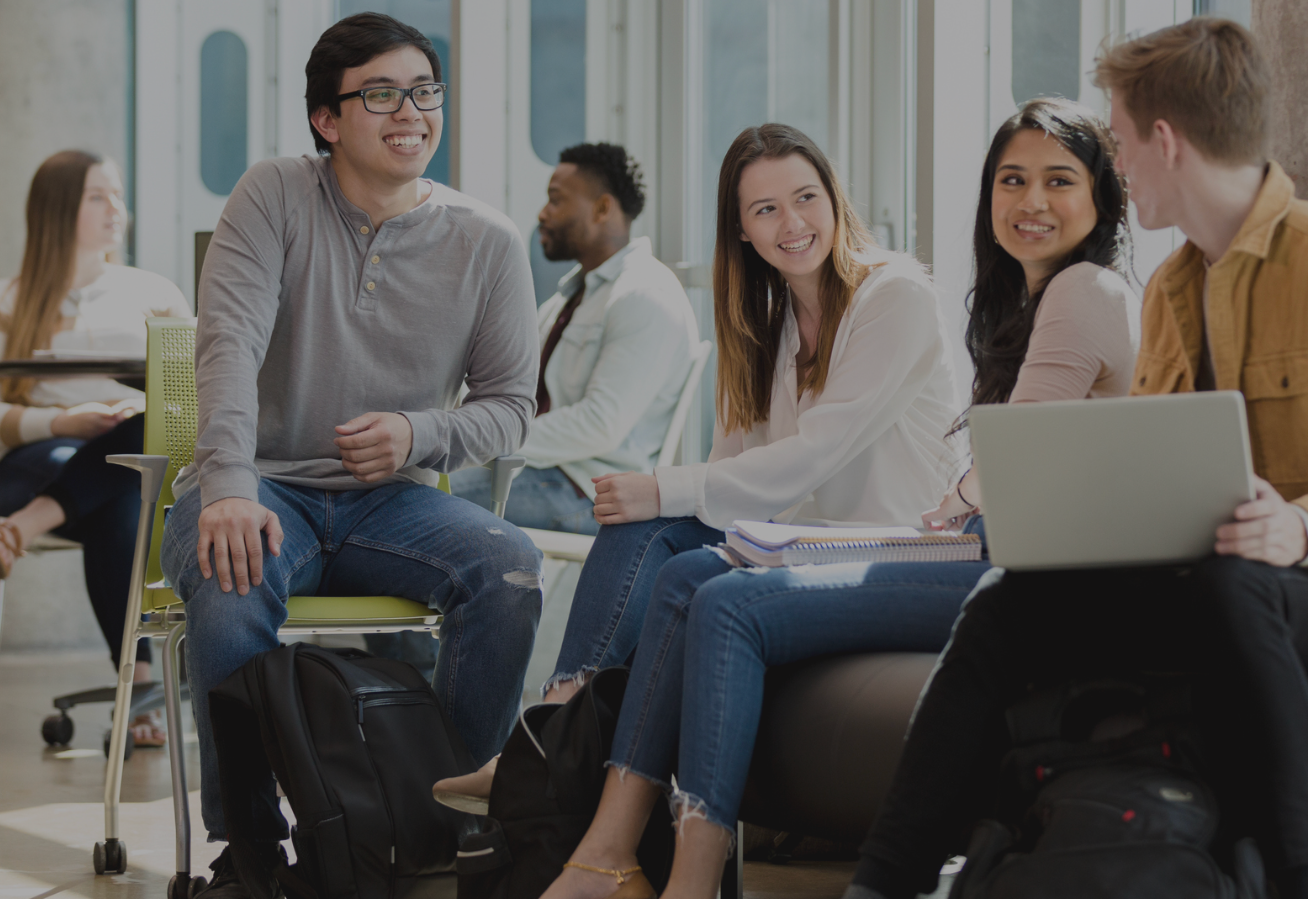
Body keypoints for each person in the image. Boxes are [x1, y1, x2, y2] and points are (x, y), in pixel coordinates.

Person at [845, 18, 1308, 899]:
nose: (1119, 168)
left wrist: (1304, 526)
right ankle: (884, 881)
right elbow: (1147, 464)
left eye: (1119, 143)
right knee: (1009, 603)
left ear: (1166, 141)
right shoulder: (1179, 287)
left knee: (1235, 588)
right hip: (1214, 577)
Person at [528, 100, 1143, 899]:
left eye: (1058, 181)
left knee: (716, 593)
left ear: (1102, 196)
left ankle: (653, 859)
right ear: (740, 229)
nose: (1030, 202)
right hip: (974, 548)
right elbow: (747, 466)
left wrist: (961, 493)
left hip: (998, 561)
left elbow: (1000, 469)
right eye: (1011, 180)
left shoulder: (1064, 291)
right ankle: (585, 800)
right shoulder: (1009, 303)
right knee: (666, 548)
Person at [432, 122, 962, 810]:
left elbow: (811, 456)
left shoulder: (894, 297)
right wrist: (664, 501)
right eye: (765, 210)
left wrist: (662, 487)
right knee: (641, 529)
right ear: (741, 229)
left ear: (834, 199)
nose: (792, 223)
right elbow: (732, 472)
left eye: (805, 198)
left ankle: (560, 762)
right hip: (798, 543)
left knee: (673, 546)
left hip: (887, 545)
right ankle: (550, 727)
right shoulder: (763, 325)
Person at [161, 13, 543, 898]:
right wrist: (224, 484)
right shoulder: (273, 196)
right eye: (380, 94)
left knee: (510, 568)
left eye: (423, 91)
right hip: (261, 483)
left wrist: (420, 433)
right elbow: (227, 347)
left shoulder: (485, 241)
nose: (409, 111)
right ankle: (250, 848)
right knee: (232, 568)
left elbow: (511, 411)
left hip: (392, 500)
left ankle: (437, 821)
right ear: (327, 120)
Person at [0, 150, 190, 747]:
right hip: (37, 461)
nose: (116, 208)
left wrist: (115, 428)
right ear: (58, 208)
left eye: (118, 194)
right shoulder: (6, 298)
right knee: (123, 483)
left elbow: (190, 398)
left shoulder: (155, 292)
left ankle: (19, 530)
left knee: (133, 460)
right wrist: (64, 420)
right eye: (97, 196)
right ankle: (144, 693)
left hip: (130, 461)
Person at [450, 142, 699, 535]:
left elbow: (601, 423)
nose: (542, 214)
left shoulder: (645, 295)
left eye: (556, 200)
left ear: (602, 209)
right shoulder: (573, 297)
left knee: (424, 501)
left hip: (584, 490)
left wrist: (489, 440)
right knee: (413, 489)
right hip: (536, 470)